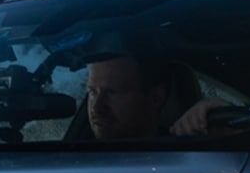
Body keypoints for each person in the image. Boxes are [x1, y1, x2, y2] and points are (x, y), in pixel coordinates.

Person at [86, 56, 236, 141]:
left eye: (113, 92)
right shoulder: (70, 155)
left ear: (155, 97)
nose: (97, 107)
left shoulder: (187, 151)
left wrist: (222, 122)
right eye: (92, 92)